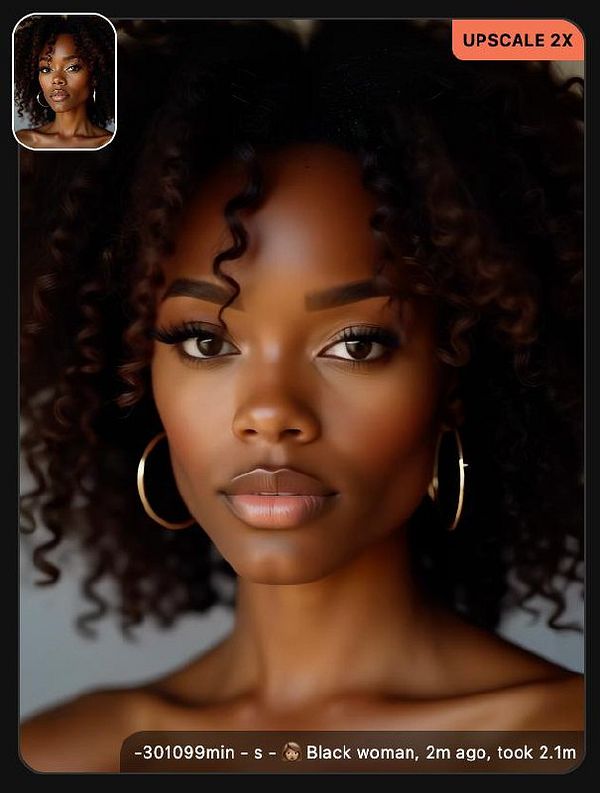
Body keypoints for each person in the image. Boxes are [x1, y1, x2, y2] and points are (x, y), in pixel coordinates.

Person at [19, 19, 584, 772]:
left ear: (453, 375)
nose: (270, 411)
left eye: (356, 343)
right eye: (205, 340)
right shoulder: (60, 756)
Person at [14, 14, 114, 149]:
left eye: (72, 67)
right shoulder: (22, 142)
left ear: (95, 75)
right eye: (45, 69)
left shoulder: (113, 147)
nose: (57, 79)